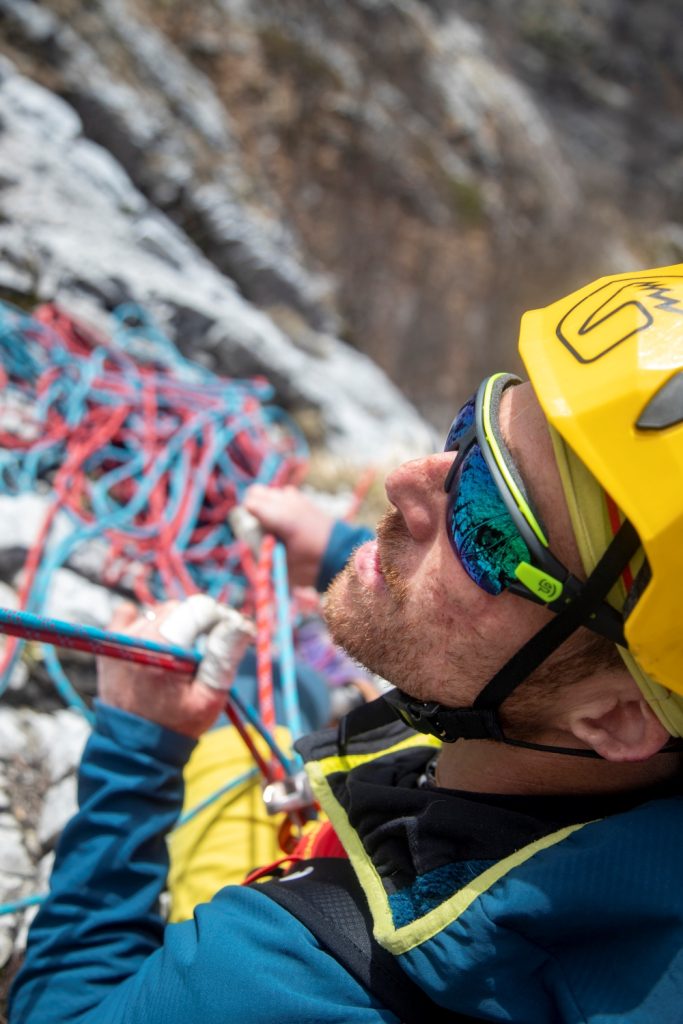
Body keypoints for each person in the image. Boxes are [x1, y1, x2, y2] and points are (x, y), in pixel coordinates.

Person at [9, 264, 683, 1023]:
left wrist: (134, 752)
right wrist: (338, 550)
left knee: (235, 742)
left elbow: (61, 1011)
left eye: (487, 523)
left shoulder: (287, 983)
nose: (404, 480)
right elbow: (548, 632)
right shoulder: (610, 712)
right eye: (470, 431)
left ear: (618, 718)